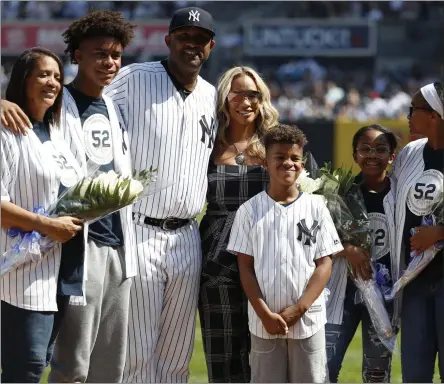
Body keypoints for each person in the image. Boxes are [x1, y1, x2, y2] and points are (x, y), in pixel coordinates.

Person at [0, 10, 138, 383]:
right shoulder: (59, 107)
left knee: (110, 365)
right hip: (71, 247)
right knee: (66, 365)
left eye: (115, 54)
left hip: (118, 245)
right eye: (99, 53)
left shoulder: (112, 104)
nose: (109, 62)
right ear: (77, 55)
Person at [103, 7, 217, 383]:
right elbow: (79, 104)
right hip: (139, 229)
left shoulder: (211, 96)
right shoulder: (132, 78)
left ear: (210, 47)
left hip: (187, 236)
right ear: (168, 41)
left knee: (177, 355)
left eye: (200, 39)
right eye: (184, 37)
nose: (192, 45)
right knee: (137, 353)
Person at [227, 124, 343, 383]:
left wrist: (300, 308)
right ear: (266, 163)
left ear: (302, 165)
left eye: (294, 158)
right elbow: (245, 267)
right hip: (264, 323)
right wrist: (264, 314)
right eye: (280, 157)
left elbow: (325, 263)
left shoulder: (316, 207)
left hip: (308, 321)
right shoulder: (249, 211)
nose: (288, 163)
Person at [1, 47, 83, 383]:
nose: (53, 82)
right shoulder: (7, 130)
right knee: (27, 369)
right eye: (43, 74)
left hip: (60, 271)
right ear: (23, 80)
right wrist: (47, 225)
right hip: (19, 272)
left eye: (58, 77)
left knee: (36, 364)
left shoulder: (56, 133)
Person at [198, 66, 278, 383]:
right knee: (222, 355)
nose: (245, 101)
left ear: (262, 99)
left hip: (266, 260)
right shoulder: (206, 145)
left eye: (253, 94)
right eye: (238, 93)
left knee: (264, 354)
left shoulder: (277, 146)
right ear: (225, 99)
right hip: (216, 261)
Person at [325, 124, 400, 383]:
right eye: (365, 149)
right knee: (323, 368)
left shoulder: (402, 195)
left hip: (386, 299)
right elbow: (317, 242)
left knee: (377, 374)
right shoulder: (337, 193)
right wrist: (348, 250)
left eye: (380, 149)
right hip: (342, 294)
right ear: (355, 154)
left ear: (392, 156)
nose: (372, 155)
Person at [392, 82, 444, 382]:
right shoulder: (410, 152)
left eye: (415, 110)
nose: (408, 115)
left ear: (436, 115)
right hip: (414, 283)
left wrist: (439, 233)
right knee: (414, 375)